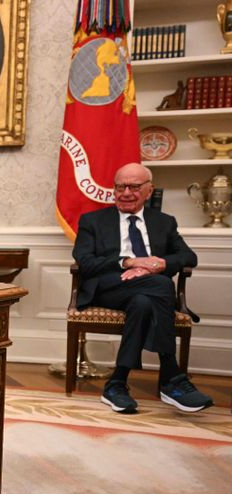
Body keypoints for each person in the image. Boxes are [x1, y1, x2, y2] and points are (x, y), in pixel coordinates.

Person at [72, 163, 212, 414]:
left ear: (149, 190)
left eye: (134, 187)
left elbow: (188, 256)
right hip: (108, 288)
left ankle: (116, 383)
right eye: (120, 187)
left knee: (143, 302)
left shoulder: (164, 222)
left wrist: (157, 265)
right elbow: (86, 262)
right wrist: (129, 262)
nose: (126, 193)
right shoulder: (92, 221)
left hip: (147, 290)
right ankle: (171, 376)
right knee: (161, 284)